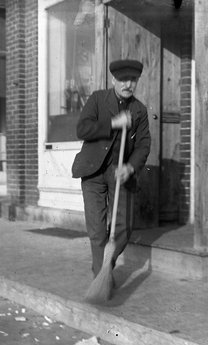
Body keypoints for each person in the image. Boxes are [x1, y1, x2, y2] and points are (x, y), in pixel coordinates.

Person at [72, 59, 151, 281]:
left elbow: (144, 144)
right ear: (114, 80)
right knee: (97, 231)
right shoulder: (98, 99)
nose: (128, 84)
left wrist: (131, 167)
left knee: (123, 230)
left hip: (120, 173)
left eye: (133, 80)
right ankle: (102, 278)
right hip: (93, 172)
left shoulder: (140, 110)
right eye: (123, 79)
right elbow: (82, 129)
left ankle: (106, 264)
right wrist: (113, 123)